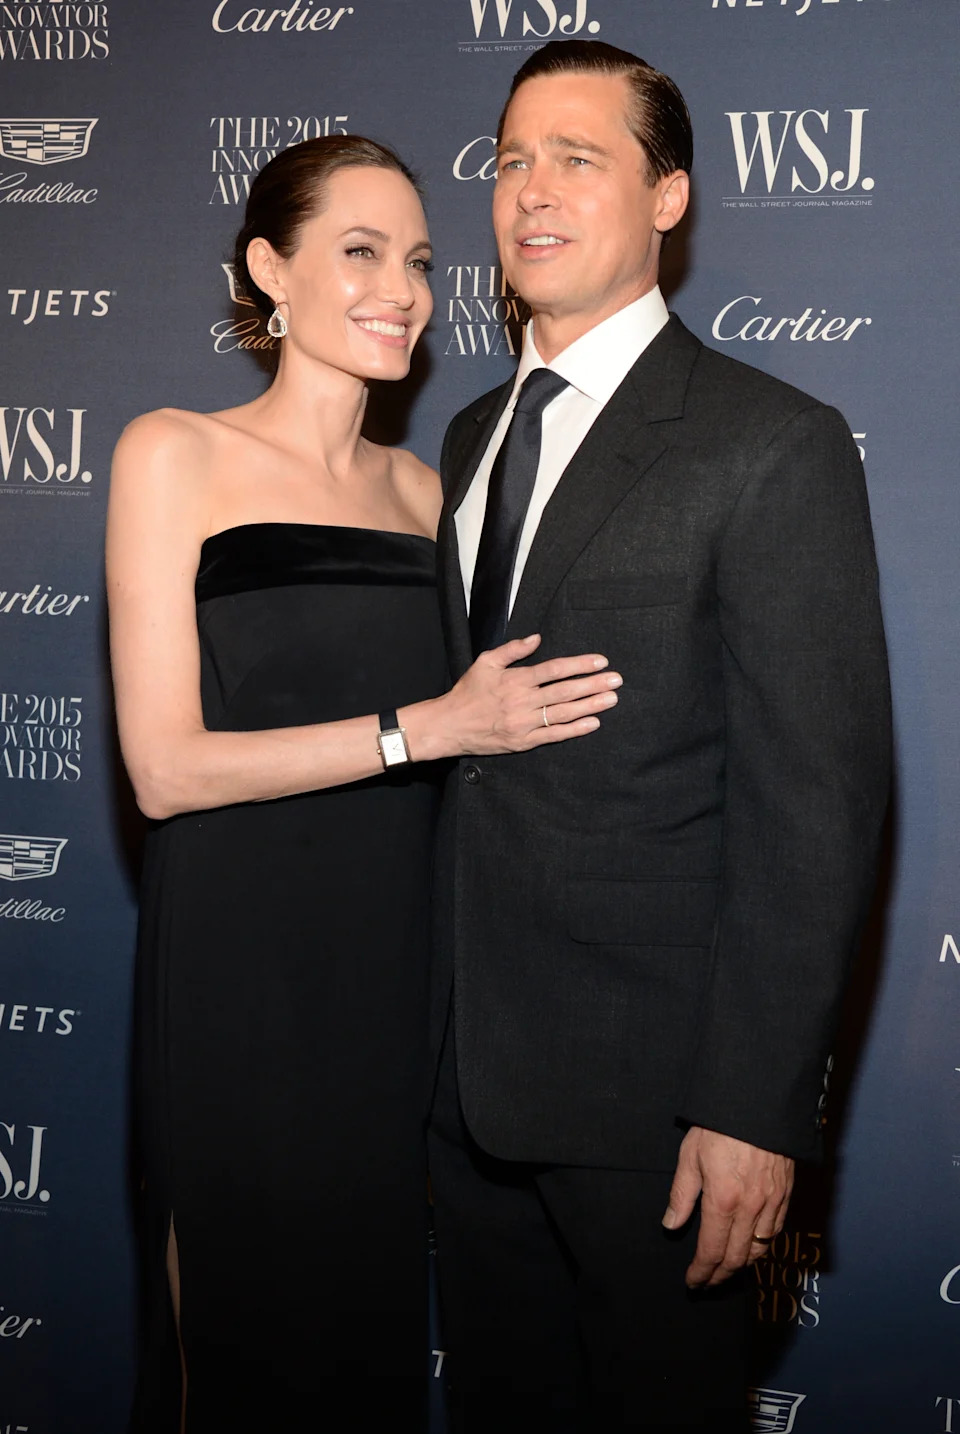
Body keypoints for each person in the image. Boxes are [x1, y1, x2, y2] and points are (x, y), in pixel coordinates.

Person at [106, 135, 618, 1430]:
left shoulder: (427, 491)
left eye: (421, 261)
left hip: (394, 984)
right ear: (267, 268)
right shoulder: (174, 454)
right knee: (236, 1353)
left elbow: (496, 735)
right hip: (240, 979)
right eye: (359, 251)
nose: (402, 287)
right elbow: (164, 769)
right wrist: (423, 728)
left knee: (362, 1358)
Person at [428, 40, 892, 1433]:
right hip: (461, 1084)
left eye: (581, 156)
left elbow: (820, 805)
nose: (534, 189)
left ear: (670, 195)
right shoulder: (464, 437)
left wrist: (755, 1108)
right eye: (513, 158)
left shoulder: (772, 441)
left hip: (659, 1110)